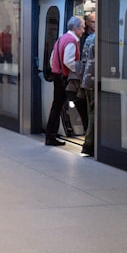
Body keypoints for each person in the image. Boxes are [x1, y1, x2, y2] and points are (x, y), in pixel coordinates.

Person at [44, 16, 84, 146]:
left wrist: (56, 69)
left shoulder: (60, 39)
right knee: (79, 104)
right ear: (76, 28)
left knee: (56, 107)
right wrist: (78, 69)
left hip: (57, 76)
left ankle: (50, 136)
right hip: (65, 78)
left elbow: (52, 59)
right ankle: (88, 137)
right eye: (82, 28)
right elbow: (68, 60)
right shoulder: (72, 41)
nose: (83, 30)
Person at [80, 23, 97, 156]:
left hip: (87, 80)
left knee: (90, 111)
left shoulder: (90, 38)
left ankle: (89, 142)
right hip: (94, 81)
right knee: (94, 114)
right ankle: (89, 144)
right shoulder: (100, 39)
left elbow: (83, 60)